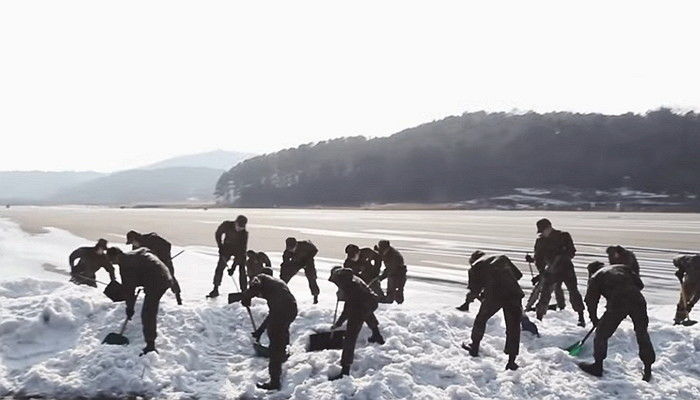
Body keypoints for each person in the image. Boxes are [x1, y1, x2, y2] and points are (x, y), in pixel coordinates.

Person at [579, 261, 655, 382]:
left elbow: (590, 300)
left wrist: (594, 319)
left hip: (618, 303)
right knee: (642, 333)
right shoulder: (623, 267)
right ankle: (648, 369)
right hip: (638, 300)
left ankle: (597, 366)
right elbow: (640, 285)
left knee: (601, 335)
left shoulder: (595, 277)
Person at [461, 251, 523, 370]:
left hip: (495, 295)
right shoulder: (502, 258)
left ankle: (474, 347)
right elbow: (518, 275)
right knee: (513, 327)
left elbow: (474, 290)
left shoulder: (475, 267)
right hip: (514, 293)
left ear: (472, 260)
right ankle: (511, 361)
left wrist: (468, 302)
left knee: (481, 319)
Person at [106, 247, 172, 355]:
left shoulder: (125, 266)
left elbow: (129, 291)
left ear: (116, 256)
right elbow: (147, 250)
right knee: (149, 309)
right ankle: (150, 343)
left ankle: (150, 346)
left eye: (112, 261)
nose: (113, 263)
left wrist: (130, 308)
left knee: (147, 313)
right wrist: (145, 276)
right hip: (165, 275)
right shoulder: (135, 253)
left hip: (158, 281)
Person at [242, 268, 297, 391]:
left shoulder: (267, 287)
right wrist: (260, 331)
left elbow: (274, 314)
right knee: (280, 333)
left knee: (275, 344)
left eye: (258, 294)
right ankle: (283, 352)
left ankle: (275, 382)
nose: (259, 296)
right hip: (290, 309)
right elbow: (272, 314)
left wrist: (247, 297)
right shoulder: (272, 283)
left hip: (284, 311)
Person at [328, 267, 385, 380]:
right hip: (370, 301)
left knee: (350, 336)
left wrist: (338, 323)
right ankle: (377, 336)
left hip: (362, 305)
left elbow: (347, 309)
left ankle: (345, 371)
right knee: (367, 313)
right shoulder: (351, 279)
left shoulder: (349, 286)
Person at [528, 218, 585, 326]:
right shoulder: (540, 241)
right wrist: (542, 271)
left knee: (573, 292)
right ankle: (539, 317)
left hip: (566, 268)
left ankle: (581, 317)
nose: (542, 233)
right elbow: (538, 258)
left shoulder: (564, 236)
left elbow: (572, 252)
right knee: (545, 293)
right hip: (551, 271)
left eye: (543, 230)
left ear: (549, 227)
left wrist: (563, 254)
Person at [127, 230, 182, 305]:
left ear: (136, 238)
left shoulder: (152, 239)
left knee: (170, 277)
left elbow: (167, 245)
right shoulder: (136, 247)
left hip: (164, 261)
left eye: (132, 241)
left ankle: (178, 298)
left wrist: (163, 257)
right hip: (150, 266)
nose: (132, 244)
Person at [209, 215, 248, 298]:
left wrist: (233, 268)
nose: (239, 229)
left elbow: (242, 251)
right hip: (226, 247)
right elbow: (218, 233)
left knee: (242, 268)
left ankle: (244, 290)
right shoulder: (227, 225)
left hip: (239, 250)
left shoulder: (244, 234)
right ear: (235, 223)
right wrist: (220, 246)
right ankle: (215, 288)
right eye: (239, 226)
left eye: (242, 227)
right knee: (220, 267)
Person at [280, 237, 320, 303]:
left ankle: (315, 297)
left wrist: (308, 258)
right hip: (297, 262)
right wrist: (283, 276)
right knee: (285, 276)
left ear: (296, 245)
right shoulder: (287, 253)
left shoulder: (305, 245)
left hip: (308, 261)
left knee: (312, 278)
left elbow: (315, 250)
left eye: (292, 248)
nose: (291, 250)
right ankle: (281, 292)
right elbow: (285, 265)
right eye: (289, 249)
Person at [375, 240, 407, 304]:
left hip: (398, 273)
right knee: (390, 290)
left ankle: (398, 303)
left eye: (383, 249)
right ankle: (388, 298)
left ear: (387, 248)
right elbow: (380, 254)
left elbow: (390, 270)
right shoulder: (384, 251)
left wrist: (381, 278)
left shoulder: (395, 256)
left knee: (397, 290)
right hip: (391, 272)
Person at [672, 254, 700, 325]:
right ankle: (678, 320)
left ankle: (681, 317)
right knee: (685, 298)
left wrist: (691, 304)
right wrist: (681, 270)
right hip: (690, 280)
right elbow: (676, 260)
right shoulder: (692, 260)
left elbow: (698, 293)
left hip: (693, 278)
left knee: (687, 300)